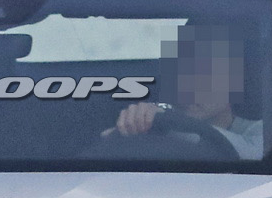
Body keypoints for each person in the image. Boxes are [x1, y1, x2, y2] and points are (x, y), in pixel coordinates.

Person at [106, 27, 264, 159]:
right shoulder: (152, 126)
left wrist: (168, 121)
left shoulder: (259, 131)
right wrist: (130, 129)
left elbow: (253, 153)